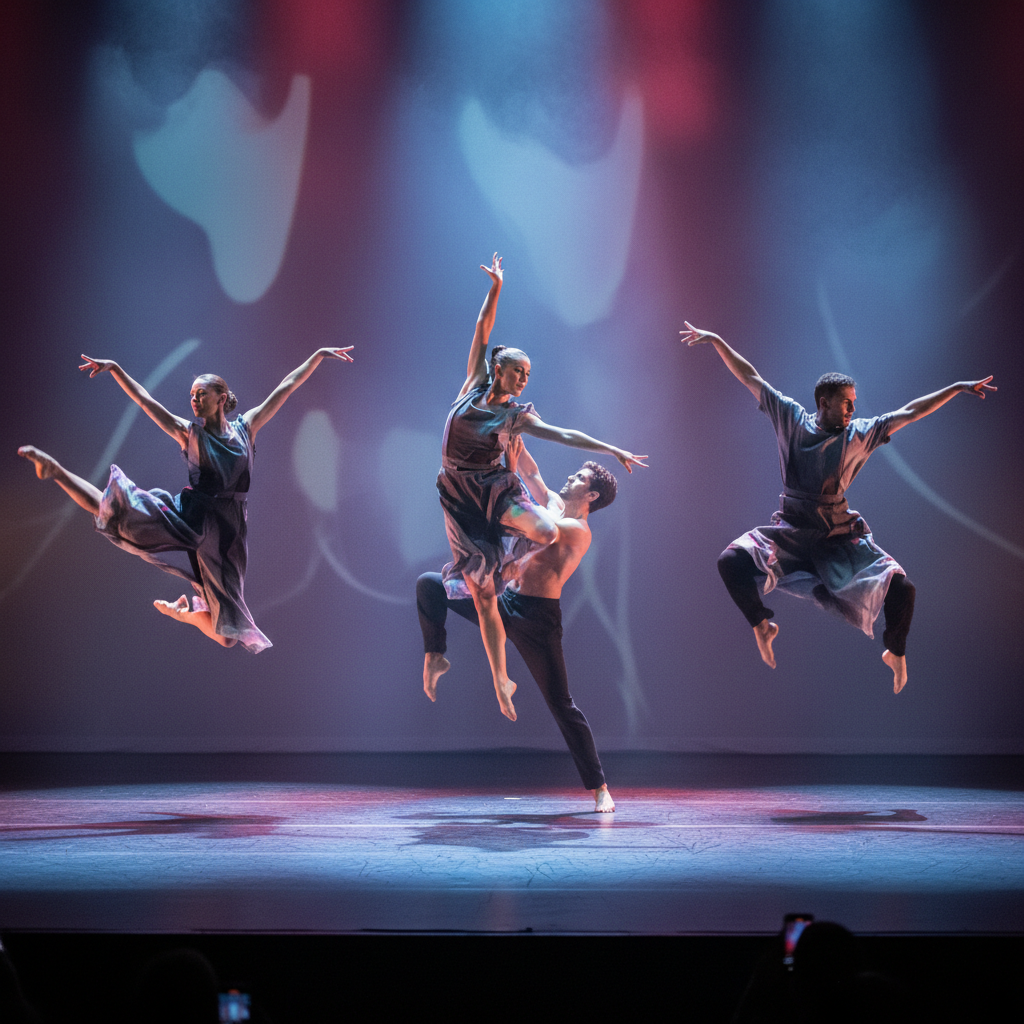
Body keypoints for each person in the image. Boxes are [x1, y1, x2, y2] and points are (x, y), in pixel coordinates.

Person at [681, 322, 995, 693]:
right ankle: (762, 624)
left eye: (854, 404)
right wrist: (718, 339)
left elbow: (910, 411)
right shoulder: (791, 419)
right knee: (729, 562)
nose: (852, 409)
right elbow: (749, 376)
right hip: (793, 530)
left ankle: (895, 651)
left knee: (903, 590)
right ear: (824, 402)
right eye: (846, 402)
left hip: (836, 534)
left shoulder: (860, 432)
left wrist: (956, 389)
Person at [18, 346, 354, 651]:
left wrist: (318, 355)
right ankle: (56, 471)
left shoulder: (246, 427)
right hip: (192, 516)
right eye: (192, 395)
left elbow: (287, 386)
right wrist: (118, 370)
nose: (194, 400)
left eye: (201, 394)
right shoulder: (187, 433)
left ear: (221, 398)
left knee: (227, 637)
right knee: (117, 509)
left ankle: (186, 614)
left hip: (228, 533)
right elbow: (146, 402)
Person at [438, 254, 647, 720]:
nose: (523, 379)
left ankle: (508, 562)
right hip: (457, 495)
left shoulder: (516, 415)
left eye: (528, 376)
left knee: (548, 532)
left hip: (495, 488)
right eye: (517, 372)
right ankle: (500, 678)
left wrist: (611, 447)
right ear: (498, 369)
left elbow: (563, 435)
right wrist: (495, 288)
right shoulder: (472, 384)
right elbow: (481, 329)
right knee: (482, 591)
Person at [420, 442, 617, 811]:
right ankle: (436, 655)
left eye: (579, 478)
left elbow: (540, 528)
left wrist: (507, 477)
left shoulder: (578, 529)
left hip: (538, 619)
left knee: (562, 705)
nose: (570, 477)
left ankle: (600, 787)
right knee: (429, 585)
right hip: (505, 601)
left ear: (591, 495)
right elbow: (533, 472)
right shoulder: (556, 507)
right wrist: (514, 433)